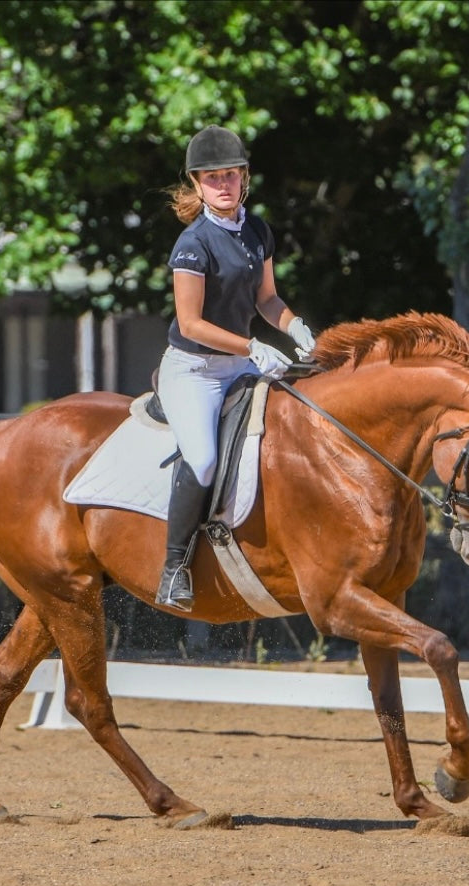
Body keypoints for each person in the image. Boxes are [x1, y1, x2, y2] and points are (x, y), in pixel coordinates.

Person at [153, 124, 316, 612]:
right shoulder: (192, 243)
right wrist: (252, 349)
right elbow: (192, 322)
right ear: (197, 184)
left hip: (240, 362)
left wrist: (294, 326)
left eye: (230, 175)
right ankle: (174, 567)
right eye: (212, 177)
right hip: (193, 369)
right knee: (202, 458)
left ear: (244, 178)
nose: (223, 184)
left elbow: (266, 298)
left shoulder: (257, 231)